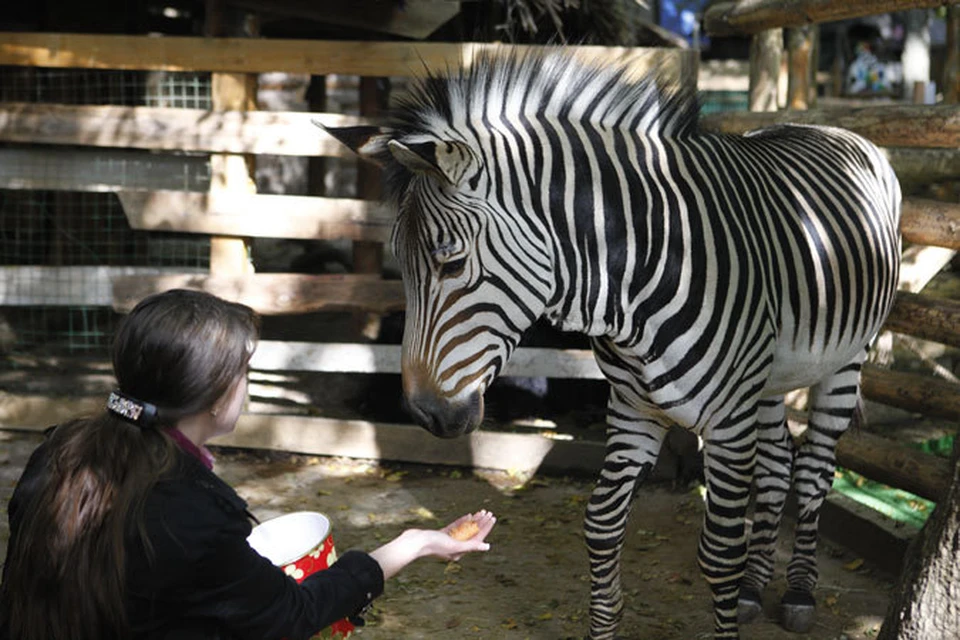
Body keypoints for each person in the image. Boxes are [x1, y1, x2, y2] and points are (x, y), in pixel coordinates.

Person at [0, 288, 496, 640]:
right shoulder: (194, 514)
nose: (246, 384)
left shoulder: (61, 450)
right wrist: (409, 545)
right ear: (215, 397)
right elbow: (291, 616)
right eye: (243, 372)